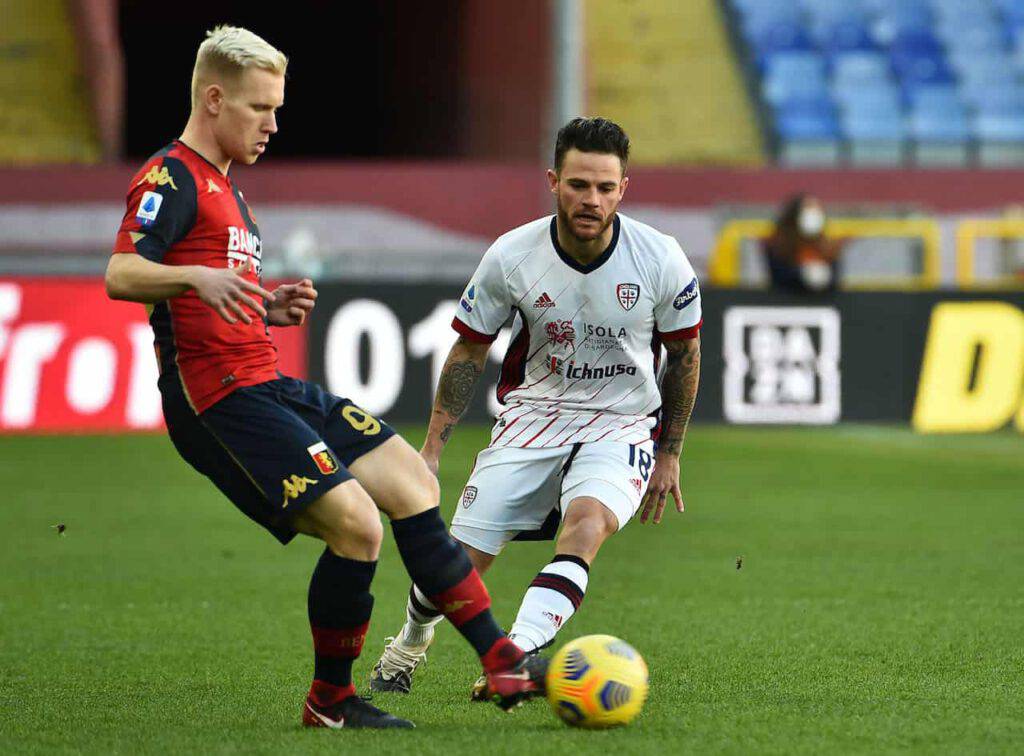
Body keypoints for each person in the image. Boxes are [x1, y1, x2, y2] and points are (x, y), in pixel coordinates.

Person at [105, 25, 544, 730]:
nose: (274, 124)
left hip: (268, 381)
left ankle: (500, 657)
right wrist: (196, 276)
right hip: (219, 402)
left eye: (276, 108)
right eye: (259, 108)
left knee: (412, 482)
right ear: (214, 100)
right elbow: (121, 273)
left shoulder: (227, 190)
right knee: (358, 527)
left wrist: (266, 306)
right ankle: (332, 702)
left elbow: (210, 294)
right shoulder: (170, 177)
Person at [370, 117, 702, 696]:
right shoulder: (512, 255)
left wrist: (669, 451)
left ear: (624, 188)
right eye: (578, 185)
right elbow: (470, 350)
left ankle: (515, 657)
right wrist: (430, 450)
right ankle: (409, 642)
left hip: (622, 422)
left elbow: (686, 354)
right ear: (553, 181)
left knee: (587, 524)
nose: (590, 200)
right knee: (460, 565)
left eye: (604, 187)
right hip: (531, 417)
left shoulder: (661, 258)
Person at [762, 193, 842, 293]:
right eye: (808, 208)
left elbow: (835, 282)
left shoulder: (829, 248)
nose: (812, 213)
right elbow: (777, 277)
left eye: (816, 209)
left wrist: (824, 276)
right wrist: (801, 274)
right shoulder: (778, 246)